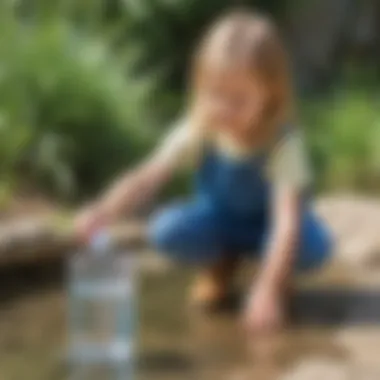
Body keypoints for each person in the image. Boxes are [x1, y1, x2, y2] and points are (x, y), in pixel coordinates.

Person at [76, 9, 332, 333]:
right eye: (215, 95)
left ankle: (275, 279)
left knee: (311, 246)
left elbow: (286, 221)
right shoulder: (199, 129)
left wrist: (268, 289)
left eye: (238, 99)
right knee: (166, 229)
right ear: (199, 85)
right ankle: (220, 264)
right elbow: (145, 178)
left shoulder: (283, 142)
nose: (223, 108)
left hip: (272, 230)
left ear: (270, 94)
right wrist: (104, 210)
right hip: (221, 224)